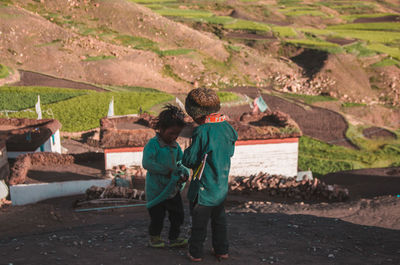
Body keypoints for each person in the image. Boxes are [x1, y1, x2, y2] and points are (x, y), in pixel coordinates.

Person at [182, 88, 238, 262]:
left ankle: (196, 253)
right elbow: (229, 152)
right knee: (219, 220)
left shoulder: (202, 132)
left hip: (204, 189)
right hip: (220, 186)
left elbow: (190, 160)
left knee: (199, 222)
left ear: (195, 114)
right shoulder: (228, 129)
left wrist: (187, 151)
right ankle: (222, 250)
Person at [142, 105, 189, 248]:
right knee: (157, 217)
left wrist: (184, 173)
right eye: (171, 133)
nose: (174, 137)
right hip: (156, 190)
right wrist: (167, 171)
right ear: (161, 129)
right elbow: (147, 163)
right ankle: (154, 239)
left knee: (178, 216)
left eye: (177, 134)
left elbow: (182, 163)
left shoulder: (176, 146)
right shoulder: (153, 145)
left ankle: (173, 238)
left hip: (172, 189)